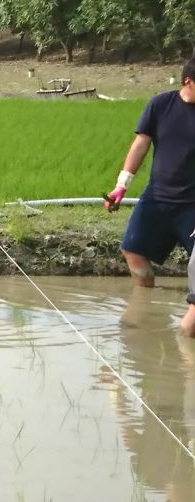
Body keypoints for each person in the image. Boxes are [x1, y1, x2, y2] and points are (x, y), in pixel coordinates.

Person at [104, 56, 195, 338]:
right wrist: (122, 186)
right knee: (133, 249)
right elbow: (141, 144)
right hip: (158, 197)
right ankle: (146, 300)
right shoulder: (161, 105)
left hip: (193, 205)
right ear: (188, 82)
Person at [108, 288, 195, 500]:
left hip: (163, 387)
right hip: (170, 390)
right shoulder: (149, 474)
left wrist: (114, 390)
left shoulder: (147, 474)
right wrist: (116, 390)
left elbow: (126, 426)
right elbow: (127, 425)